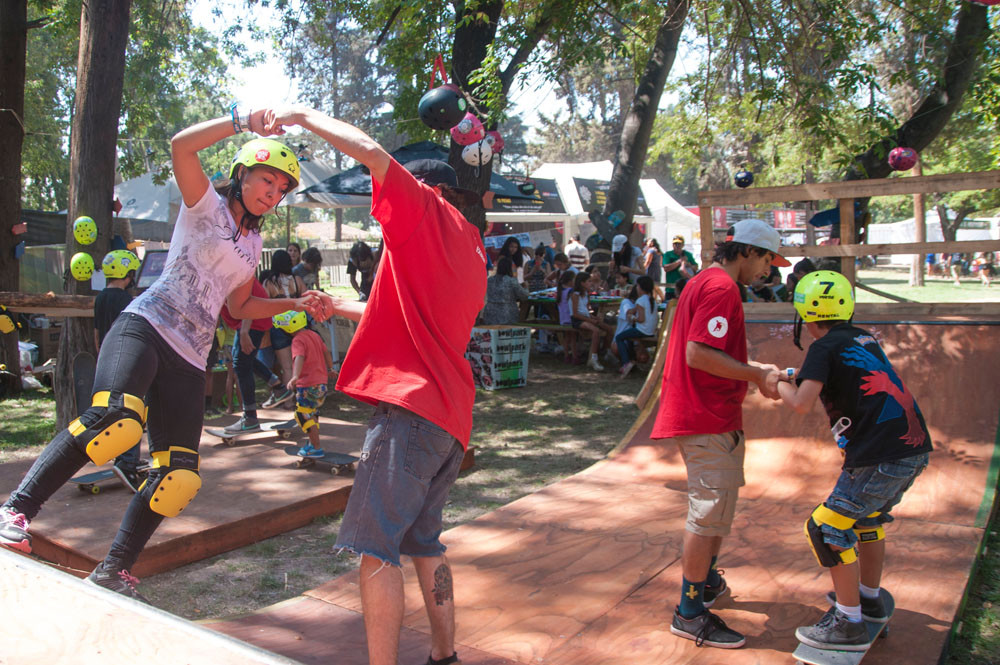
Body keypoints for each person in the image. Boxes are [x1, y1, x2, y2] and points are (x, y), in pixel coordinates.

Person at [0, 109, 323, 600]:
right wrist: (242, 120)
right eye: (266, 180)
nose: (272, 193)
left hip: (190, 358)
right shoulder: (205, 205)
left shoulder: (253, 242)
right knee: (114, 420)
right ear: (241, 173)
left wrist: (293, 304)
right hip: (147, 326)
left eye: (281, 189)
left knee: (178, 476)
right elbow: (181, 146)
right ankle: (16, 510)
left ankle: (113, 570)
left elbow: (239, 307)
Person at [265, 106, 485, 665]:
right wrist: (337, 306)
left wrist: (302, 116)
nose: (381, 201)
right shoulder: (471, 247)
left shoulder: (424, 209)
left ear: (426, 188)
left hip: (409, 409)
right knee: (424, 542)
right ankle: (444, 655)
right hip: (449, 418)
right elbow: (409, 317)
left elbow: (370, 152)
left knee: (374, 547)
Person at [651, 218, 789, 649]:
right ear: (747, 251)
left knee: (718, 508)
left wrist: (754, 370)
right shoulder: (721, 287)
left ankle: (706, 582)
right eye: (767, 259)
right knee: (707, 513)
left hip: (711, 414)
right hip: (705, 415)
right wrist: (757, 375)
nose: (768, 270)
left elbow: (708, 350)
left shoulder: (704, 281)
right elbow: (698, 354)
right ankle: (690, 612)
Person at [777, 270, 931, 651]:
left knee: (825, 527)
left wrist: (774, 382)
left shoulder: (822, 348)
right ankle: (868, 599)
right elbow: (839, 372)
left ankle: (848, 622)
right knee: (866, 519)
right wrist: (793, 374)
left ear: (805, 316)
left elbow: (801, 403)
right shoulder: (862, 338)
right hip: (911, 450)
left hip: (878, 458)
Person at [92, 249, 144, 490]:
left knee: (115, 410)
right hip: (126, 358)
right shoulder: (126, 300)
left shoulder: (100, 298)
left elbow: (97, 333)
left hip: (107, 358)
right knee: (133, 410)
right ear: (128, 273)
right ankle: (127, 462)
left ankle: (122, 456)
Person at [220, 278, 286, 434]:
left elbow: (248, 299)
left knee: (241, 364)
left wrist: (244, 331)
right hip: (252, 319)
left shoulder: (235, 271)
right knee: (244, 360)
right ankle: (278, 387)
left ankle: (250, 418)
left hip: (252, 320)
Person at [272, 310, 336, 459]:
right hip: (321, 384)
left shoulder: (298, 340)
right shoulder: (314, 335)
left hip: (307, 385)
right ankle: (312, 443)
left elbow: (299, 357)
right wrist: (331, 368)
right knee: (311, 413)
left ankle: (316, 447)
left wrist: (295, 376)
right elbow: (326, 352)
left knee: (302, 415)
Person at [261, 249, 307, 408]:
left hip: (278, 326)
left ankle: (288, 402)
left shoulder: (269, 283)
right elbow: (307, 298)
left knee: (286, 367)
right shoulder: (297, 280)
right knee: (300, 364)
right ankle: (304, 399)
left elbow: (263, 305)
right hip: (298, 325)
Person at [569, 271, 614, 371]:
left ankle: (606, 351)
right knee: (595, 330)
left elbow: (586, 311)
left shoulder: (586, 294)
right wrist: (590, 320)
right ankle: (593, 358)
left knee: (609, 329)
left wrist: (593, 318)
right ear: (582, 283)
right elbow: (575, 314)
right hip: (577, 320)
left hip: (586, 317)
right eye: (589, 281)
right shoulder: (575, 295)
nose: (591, 283)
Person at [615, 275, 657, 378]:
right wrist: (631, 312)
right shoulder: (652, 300)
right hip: (651, 331)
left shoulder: (640, 300)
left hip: (642, 330)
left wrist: (633, 318)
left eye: (637, 286)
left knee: (619, 337)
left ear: (641, 288)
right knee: (629, 338)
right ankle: (632, 361)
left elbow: (641, 319)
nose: (636, 288)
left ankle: (626, 363)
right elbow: (636, 310)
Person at [481, 257, 529, 325]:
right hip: (507, 314)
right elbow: (525, 296)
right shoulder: (512, 281)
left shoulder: (489, 280)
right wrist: (526, 287)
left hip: (490, 313)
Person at [555, 270, 579, 363]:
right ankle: (575, 357)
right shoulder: (571, 291)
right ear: (570, 281)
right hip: (571, 319)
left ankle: (566, 356)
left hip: (563, 319)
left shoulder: (560, 291)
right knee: (573, 337)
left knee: (566, 337)